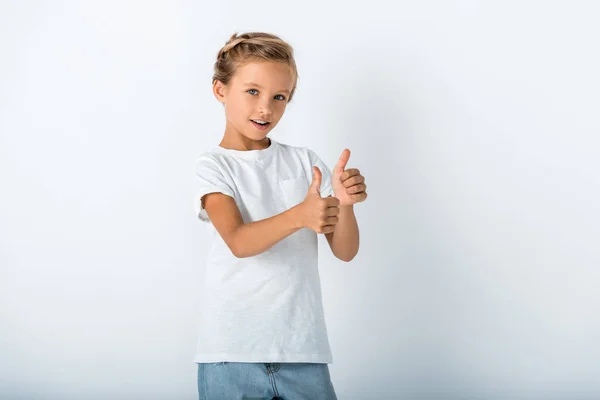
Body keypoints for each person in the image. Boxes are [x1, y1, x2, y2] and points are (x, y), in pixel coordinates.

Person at [194, 32, 368, 400]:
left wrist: (345, 202)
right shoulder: (213, 167)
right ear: (220, 90)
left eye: (280, 97)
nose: (266, 109)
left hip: (303, 351)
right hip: (231, 354)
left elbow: (345, 250)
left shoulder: (304, 161)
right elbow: (239, 242)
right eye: (253, 92)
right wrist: (301, 214)